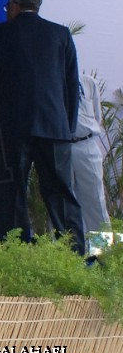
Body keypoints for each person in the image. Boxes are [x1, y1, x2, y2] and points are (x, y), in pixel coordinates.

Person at [0, 0, 83, 255]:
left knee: (11, 190)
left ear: (13, 6)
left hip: (12, 127)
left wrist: (3, 105)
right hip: (55, 127)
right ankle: (73, 255)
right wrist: (66, 127)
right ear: (37, 7)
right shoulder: (60, 34)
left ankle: (14, 254)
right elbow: (72, 85)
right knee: (60, 192)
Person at [71, 72, 111, 236]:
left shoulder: (88, 82)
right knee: (63, 203)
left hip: (86, 144)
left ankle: (103, 254)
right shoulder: (50, 81)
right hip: (60, 147)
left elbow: (96, 117)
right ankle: (68, 254)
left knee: (96, 200)